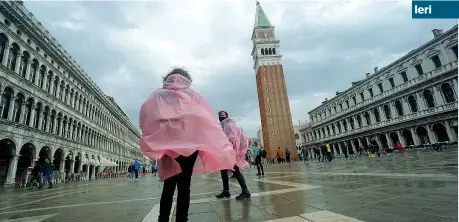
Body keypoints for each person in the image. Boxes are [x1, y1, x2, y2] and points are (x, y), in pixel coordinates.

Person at [139, 68, 236, 222]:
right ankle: (182, 220)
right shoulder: (193, 96)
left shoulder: (158, 95)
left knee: (169, 185)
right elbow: (206, 119)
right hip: (190, 148)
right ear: (187, 80)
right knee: (184, 185)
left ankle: (162, 219)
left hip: (168, 146)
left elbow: (146, 115)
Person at [215, 111, 251, 200]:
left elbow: (233, 139)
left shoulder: (228, 125)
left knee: (236, 171)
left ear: (227, 116)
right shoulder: (222, 125)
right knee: (223, 171)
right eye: (219, 115)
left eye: (222, 115)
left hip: (231, 152)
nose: (221, 117)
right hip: (225, 152)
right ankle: (226, 191)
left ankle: (245, 191)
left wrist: (233, 151)